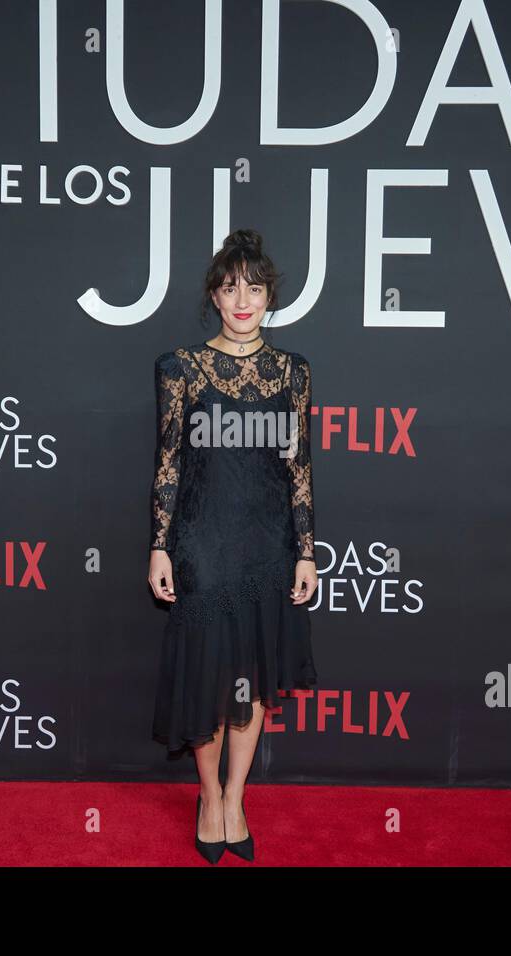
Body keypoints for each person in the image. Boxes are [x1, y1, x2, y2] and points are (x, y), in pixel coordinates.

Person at [147, 228, 318, 864]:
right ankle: (209, 796)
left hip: (267, 544)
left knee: (251, 683)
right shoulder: (179, 368)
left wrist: (306, 550)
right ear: (213, 297)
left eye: (254, 287)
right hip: (202, 541)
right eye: (229, 288)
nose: (242, 300)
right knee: (211, 679)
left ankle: (236, 797)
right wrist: (160, 545)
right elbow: (169, 461)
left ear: (270, 295)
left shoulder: (293, 372)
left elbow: (298, 467)